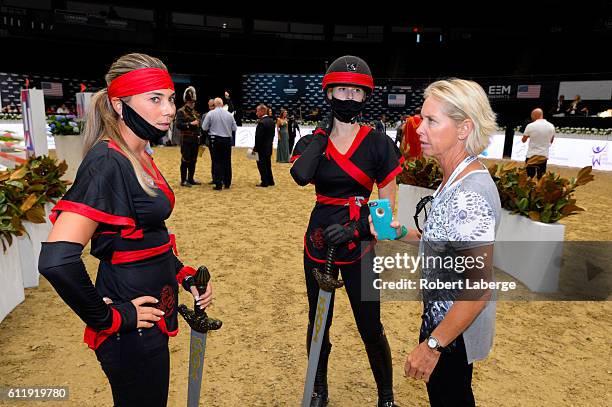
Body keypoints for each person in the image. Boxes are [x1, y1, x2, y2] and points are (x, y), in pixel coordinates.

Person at [37, 53, 213, 406]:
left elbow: (142, 236)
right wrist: (110, 317)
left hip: (152, 316)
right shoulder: (107, 162)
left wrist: (182, 275)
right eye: (155, 99)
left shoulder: (139, 154)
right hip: (130, 332)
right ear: (119, 105)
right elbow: (56, 260)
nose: (169, 110)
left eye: (170, 98)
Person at [290, 55, 403, 407]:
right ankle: (319, 389)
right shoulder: (312, 141)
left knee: (370, 325)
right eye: (342, 90)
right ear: (329, 93)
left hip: (362, 243)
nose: (349, 98)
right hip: (319, 240)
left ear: (365, 96)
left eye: (356, 92)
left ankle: (386, 396)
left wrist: (358, 227)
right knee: (318, 321)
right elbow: (299, 178)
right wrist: (321, 139)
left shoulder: (379, 144)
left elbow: (386, 220)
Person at [380, 78, 500, 407]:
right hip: (445, 324)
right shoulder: (454, 176)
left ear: (464, 129)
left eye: (432, 121)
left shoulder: (468, 195)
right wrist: (402, 233)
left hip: (452, 333)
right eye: (422, 119)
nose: (419, 129)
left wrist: (433, 346)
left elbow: (478, 286)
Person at [201, 97, 237, 190]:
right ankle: (227, 183)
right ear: (222, 104)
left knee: (217, 162)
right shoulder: (229, 115)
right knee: (227, 161)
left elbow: (204, 127)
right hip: (227, 140)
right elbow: (234, 128)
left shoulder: (210, 114)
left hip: (215, 140)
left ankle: (218, 183)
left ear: (215, 104)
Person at [176, 86, 201, 186]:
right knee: (185, 159)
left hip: (195, 140)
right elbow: (178, 125)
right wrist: (191, 124)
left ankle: (190, 178)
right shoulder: (181, 111)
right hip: (186, 140)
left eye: (193, 102)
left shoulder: (195, 112)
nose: (193, 104)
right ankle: (183, 180)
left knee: (193, 160)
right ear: (186, 101)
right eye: (191, 102)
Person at [521, 107, 555, 179]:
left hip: (531, 155)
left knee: (529, 177)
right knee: (541, 178)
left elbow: (523, 140)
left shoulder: (530, 126)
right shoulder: (551, 126)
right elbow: (551, 141)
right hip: (543, 155)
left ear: (534, 115)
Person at [254, 104, 275, 187]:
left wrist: (255, 148)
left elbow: (259, 138)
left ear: (262, 111)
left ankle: (264, 182)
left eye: (257, 111)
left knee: (262, 165)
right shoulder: (271, 121)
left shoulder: (262, 122)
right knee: (268, 165)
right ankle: (270, 180)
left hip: (261, 149)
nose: (256, 113)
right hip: (269, 147)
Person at [201, 98, 216, 184]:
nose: (212, 108)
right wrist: (202, 142)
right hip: (210, 141)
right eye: (211, 106)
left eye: (213, 105)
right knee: (214, 160)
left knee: (217, 160)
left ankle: (218, 178)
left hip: (216, 140)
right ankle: (215, 178)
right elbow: (203, 130)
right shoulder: (205, 115)